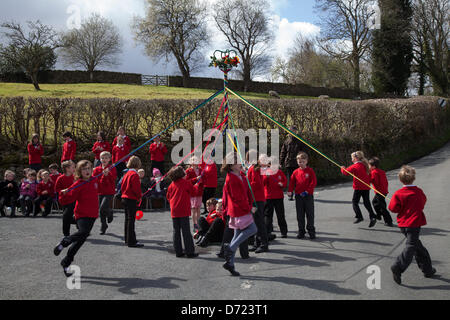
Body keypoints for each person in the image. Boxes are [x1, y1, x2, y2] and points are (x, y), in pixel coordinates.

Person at [389, 165, 436, 285]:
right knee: (411, 246)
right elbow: (422, 203)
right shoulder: (418, 192)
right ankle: (398, 266)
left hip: (403, 225)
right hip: (414, 224)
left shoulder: (398, 193)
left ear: (400, 180)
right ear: (413, 178)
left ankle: (428, 270)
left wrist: (399, 206)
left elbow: (393, 208)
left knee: (418, 247)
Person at [53, 160, 99, 277]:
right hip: (82, 214)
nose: (87, 171)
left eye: (89, 168)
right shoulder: (78, 183)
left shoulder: (94, 179)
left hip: (93, 214)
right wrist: (63, 193)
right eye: (84, 169)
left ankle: (66, 262)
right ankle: (65, 241)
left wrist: (108, 173)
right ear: (79, 171)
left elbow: (106, 180)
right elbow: (66, 200)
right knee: (83, 232)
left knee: (80, 241)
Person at [221, 152, 258, 276]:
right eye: (237, 161)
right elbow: (237, 198)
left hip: (240, 209)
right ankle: (230, 248)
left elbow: (246, 189)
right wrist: (249, 208)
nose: (240, 163)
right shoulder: (231, 178)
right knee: (252, 228)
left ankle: (230, 263)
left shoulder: (240, 174)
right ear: (231, 165)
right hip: (239, 210)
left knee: (236, 235)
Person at [166, 166, 199, 258]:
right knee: (186, 231)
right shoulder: (185, 183)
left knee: (176, 231)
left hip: (174, 210)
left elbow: (168, 197)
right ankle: (189, 252)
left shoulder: (171, 185)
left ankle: (178, 251)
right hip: (183, 210)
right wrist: (196, 185)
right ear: (181, 174)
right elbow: (194, 192)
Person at [341, 151, 377, 228]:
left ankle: (359, 216)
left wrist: (342, 168)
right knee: (366, 202)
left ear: (356, 158)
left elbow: (346, 173)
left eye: (352, 158)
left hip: (358, 187)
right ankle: (372, 216)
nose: (351, 159)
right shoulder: (365, 165)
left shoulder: (355, 166)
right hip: (366, 187)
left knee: (355, 202)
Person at [288, 152, 317, 239]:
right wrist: (290, 191)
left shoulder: (310, 171)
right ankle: (301, 231)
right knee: (300, 215)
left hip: (308, 196)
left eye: (303, 161)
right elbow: (292, 182)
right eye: (299, 161)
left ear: (306, 161)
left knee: (310, 214)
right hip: (298, 196)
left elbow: (313, 182)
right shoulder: (295, 172)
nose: (301, 163)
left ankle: (311, 231)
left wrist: (307, 191)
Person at [246, 151, 270, 253]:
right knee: (255, 222)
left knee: (259, 222)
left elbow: (257, 184)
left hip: (257, 199)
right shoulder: (253, 168)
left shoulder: (254, 169)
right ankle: (257, 243)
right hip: (255, 199)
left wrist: (247, 183)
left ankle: (264, 244)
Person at [121, 156, 144, 248]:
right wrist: (139, 197)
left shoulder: (127, 174)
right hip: (131, 199)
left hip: (125, 198)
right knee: (131, 220)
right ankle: (131, 241)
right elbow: (136, 188)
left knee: (127, 220)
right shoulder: (134, 175)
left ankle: (127, 239)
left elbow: (122, 186)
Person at [263, 157, 288, 239]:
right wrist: (266, 177)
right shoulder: (266, 173)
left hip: (279, 197)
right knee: (268, 215)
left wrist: (282, 184)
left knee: (280, 215)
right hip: (269, 197)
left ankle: (284, 231)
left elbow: (285, 181)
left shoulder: (280, 172)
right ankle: (267, 232)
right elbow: (262, 184)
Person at [93, 151, 117, 235]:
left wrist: (107, 175)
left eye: (106, 158)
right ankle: (103, 224)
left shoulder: (112, 168)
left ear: (109, 159)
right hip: (99, 191)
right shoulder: (97, 169)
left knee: (103, 208)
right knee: (101, 210)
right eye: (102, 158)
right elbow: (95, 179)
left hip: (109, 191)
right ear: (100, 159)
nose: (104, 159)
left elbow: (113, 178)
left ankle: (109, 212)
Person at [280, 126, 305, 201]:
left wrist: (303, 162)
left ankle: (299, 193)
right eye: (290, 131)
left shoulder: (300, 141)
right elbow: (283, 152)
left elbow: (304, 152)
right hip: (289, 163)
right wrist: (280, 162)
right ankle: (290, 194)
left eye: (293, 131)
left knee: (299, 179)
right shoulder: (287, 141)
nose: (291, 132)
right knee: (290, 180)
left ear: (295, 131)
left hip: (298, 163)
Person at [369, 157, 393, 227]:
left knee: (382, 207)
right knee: (375, 202)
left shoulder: (374, 172)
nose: (369, 167)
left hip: (380, 192)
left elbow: (375, 181)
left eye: (369, 165)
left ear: (373, 166)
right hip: (383, 191)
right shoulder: (380, 171)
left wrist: (368, 178)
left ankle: (388, 221)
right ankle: (379, 215)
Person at [55, 160, 76, 237]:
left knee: (66, 216)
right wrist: (62, 191)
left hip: (73, 199)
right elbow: (57, 189)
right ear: (67, 168)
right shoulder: (60, 178)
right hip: (64, 200)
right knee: (67, 217)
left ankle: (66, 234)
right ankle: (79, 223)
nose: (75, 168)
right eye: (73, 167)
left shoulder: (75, 177)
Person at [185, 156, 204, 233]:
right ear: (190, 162)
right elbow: (187, 181)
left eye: (196, 159)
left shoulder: (201, 170)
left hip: (199, 191)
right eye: (193, 160)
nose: (194, 161)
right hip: (192, 192)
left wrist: (201, 181)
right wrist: (195, 179)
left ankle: (198, 223)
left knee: (198, 208)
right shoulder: (188, 171)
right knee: (193, 209)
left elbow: (204, 179)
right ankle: (194, 224)